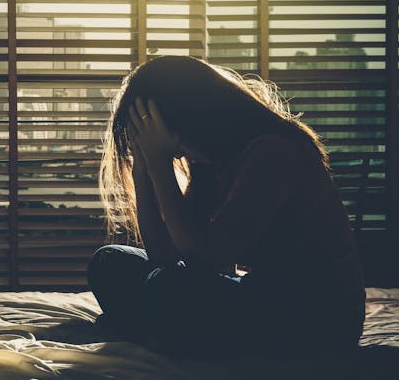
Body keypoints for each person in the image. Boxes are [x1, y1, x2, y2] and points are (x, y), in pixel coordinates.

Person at [88, 55, 366, 358]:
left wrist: (159, 166)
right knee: (110, 262)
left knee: (168, 286)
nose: (177, 153)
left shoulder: (273, 152)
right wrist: (143, 167)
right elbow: (164, 257)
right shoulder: (211, 161)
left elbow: (200, 261)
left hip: (315, 321)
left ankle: (148, 329)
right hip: (261, 298)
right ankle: (152, 329)